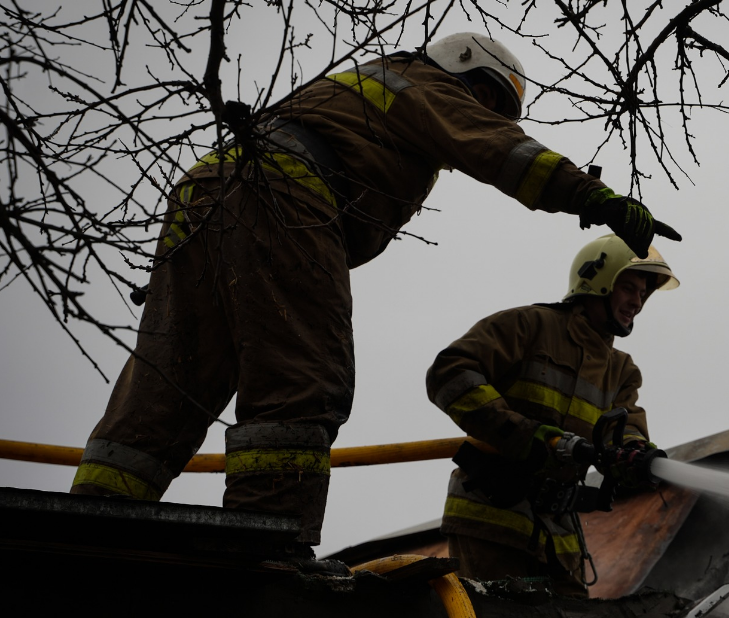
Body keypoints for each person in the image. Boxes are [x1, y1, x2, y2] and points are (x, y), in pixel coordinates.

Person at [69, 32, 680, 565]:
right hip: (286, 200)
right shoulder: (421, 82)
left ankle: (93, 524)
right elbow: (499, 149)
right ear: (459, 67)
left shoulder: (358, 89)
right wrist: (594, 198)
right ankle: (266, 547)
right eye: (488, 95)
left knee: (171, 383)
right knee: (305, 382)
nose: (488, 112)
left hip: (212, 197)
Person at [426, 234, 678, 595]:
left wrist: (632, 454)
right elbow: (449, 372)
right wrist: (521, 433)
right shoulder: (529, 326)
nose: (637, 301)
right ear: (598, 280)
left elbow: (622, 431)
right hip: (493, 522)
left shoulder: (622, 371)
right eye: (629, 288)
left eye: (643, 293)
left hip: (560, 539)